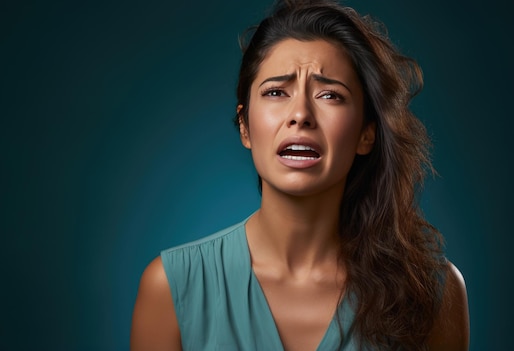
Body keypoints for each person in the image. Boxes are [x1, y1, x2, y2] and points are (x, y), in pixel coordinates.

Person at [130, 0, 470, 350]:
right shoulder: (171, 289)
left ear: (366, 133)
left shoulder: (432, 292)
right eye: (276, 92)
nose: (301, 114)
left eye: (329, 95)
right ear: (245, 126)